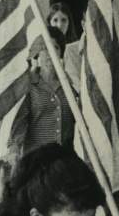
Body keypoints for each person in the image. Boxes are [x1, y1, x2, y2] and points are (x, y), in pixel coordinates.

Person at [6, 28, 75, 165]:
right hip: (36, 161)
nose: (51, 53)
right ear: (38, 53)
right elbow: (19, 122)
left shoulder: (70, 85)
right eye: (46, 48)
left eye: (55, 48)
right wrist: (14, 149)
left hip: (65, 162)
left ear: (61, 53)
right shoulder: (28, 85)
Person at [46, 2, 81, 90]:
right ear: (49, 22)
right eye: (55, 20)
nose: (59, 25)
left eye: (64, 20)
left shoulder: (76, 48)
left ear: (69, 22)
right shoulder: (45, 47)